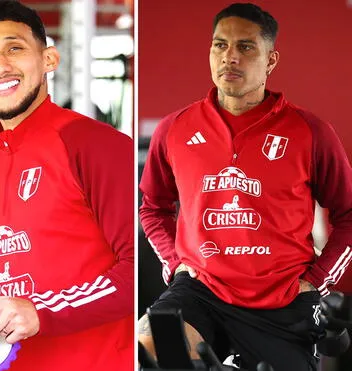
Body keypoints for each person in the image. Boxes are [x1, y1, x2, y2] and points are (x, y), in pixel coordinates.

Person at [139, 3, 352, 370]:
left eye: (246, 47)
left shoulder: (310, 131)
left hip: (282, 302)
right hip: (201, 290)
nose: (230, 57)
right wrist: (175, 262)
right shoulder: (175, 128)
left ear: (271, 60)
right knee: (154, 346)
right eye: (220, 45)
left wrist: (318, 279)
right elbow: (153, 208)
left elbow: (349, 214)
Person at [0, 1, 134, 370]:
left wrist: (40, 312)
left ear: (49, 60)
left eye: (15, 48)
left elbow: (134, 273)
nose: (0, 65)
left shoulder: (95, 144)